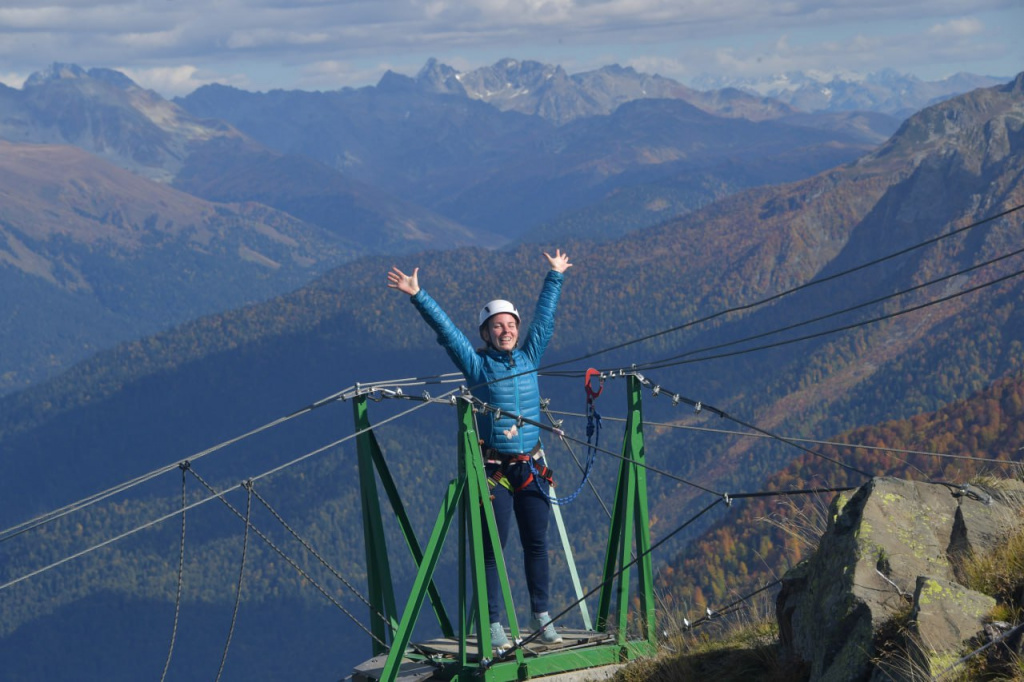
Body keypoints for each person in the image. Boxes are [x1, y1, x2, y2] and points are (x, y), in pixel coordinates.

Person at [387, 250, 572, 651]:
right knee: (493, 548)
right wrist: (418, 295)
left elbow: (545, 321)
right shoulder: (477, 366)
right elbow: (449, 333)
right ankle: (493, 624)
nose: (506, 330)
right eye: (497, 326)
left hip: (532, 466)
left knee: (537, 543)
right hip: (496, 471)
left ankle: (542, 616)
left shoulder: (529, 356)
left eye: (510, 325)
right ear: (486, 334)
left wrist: (555, 275)